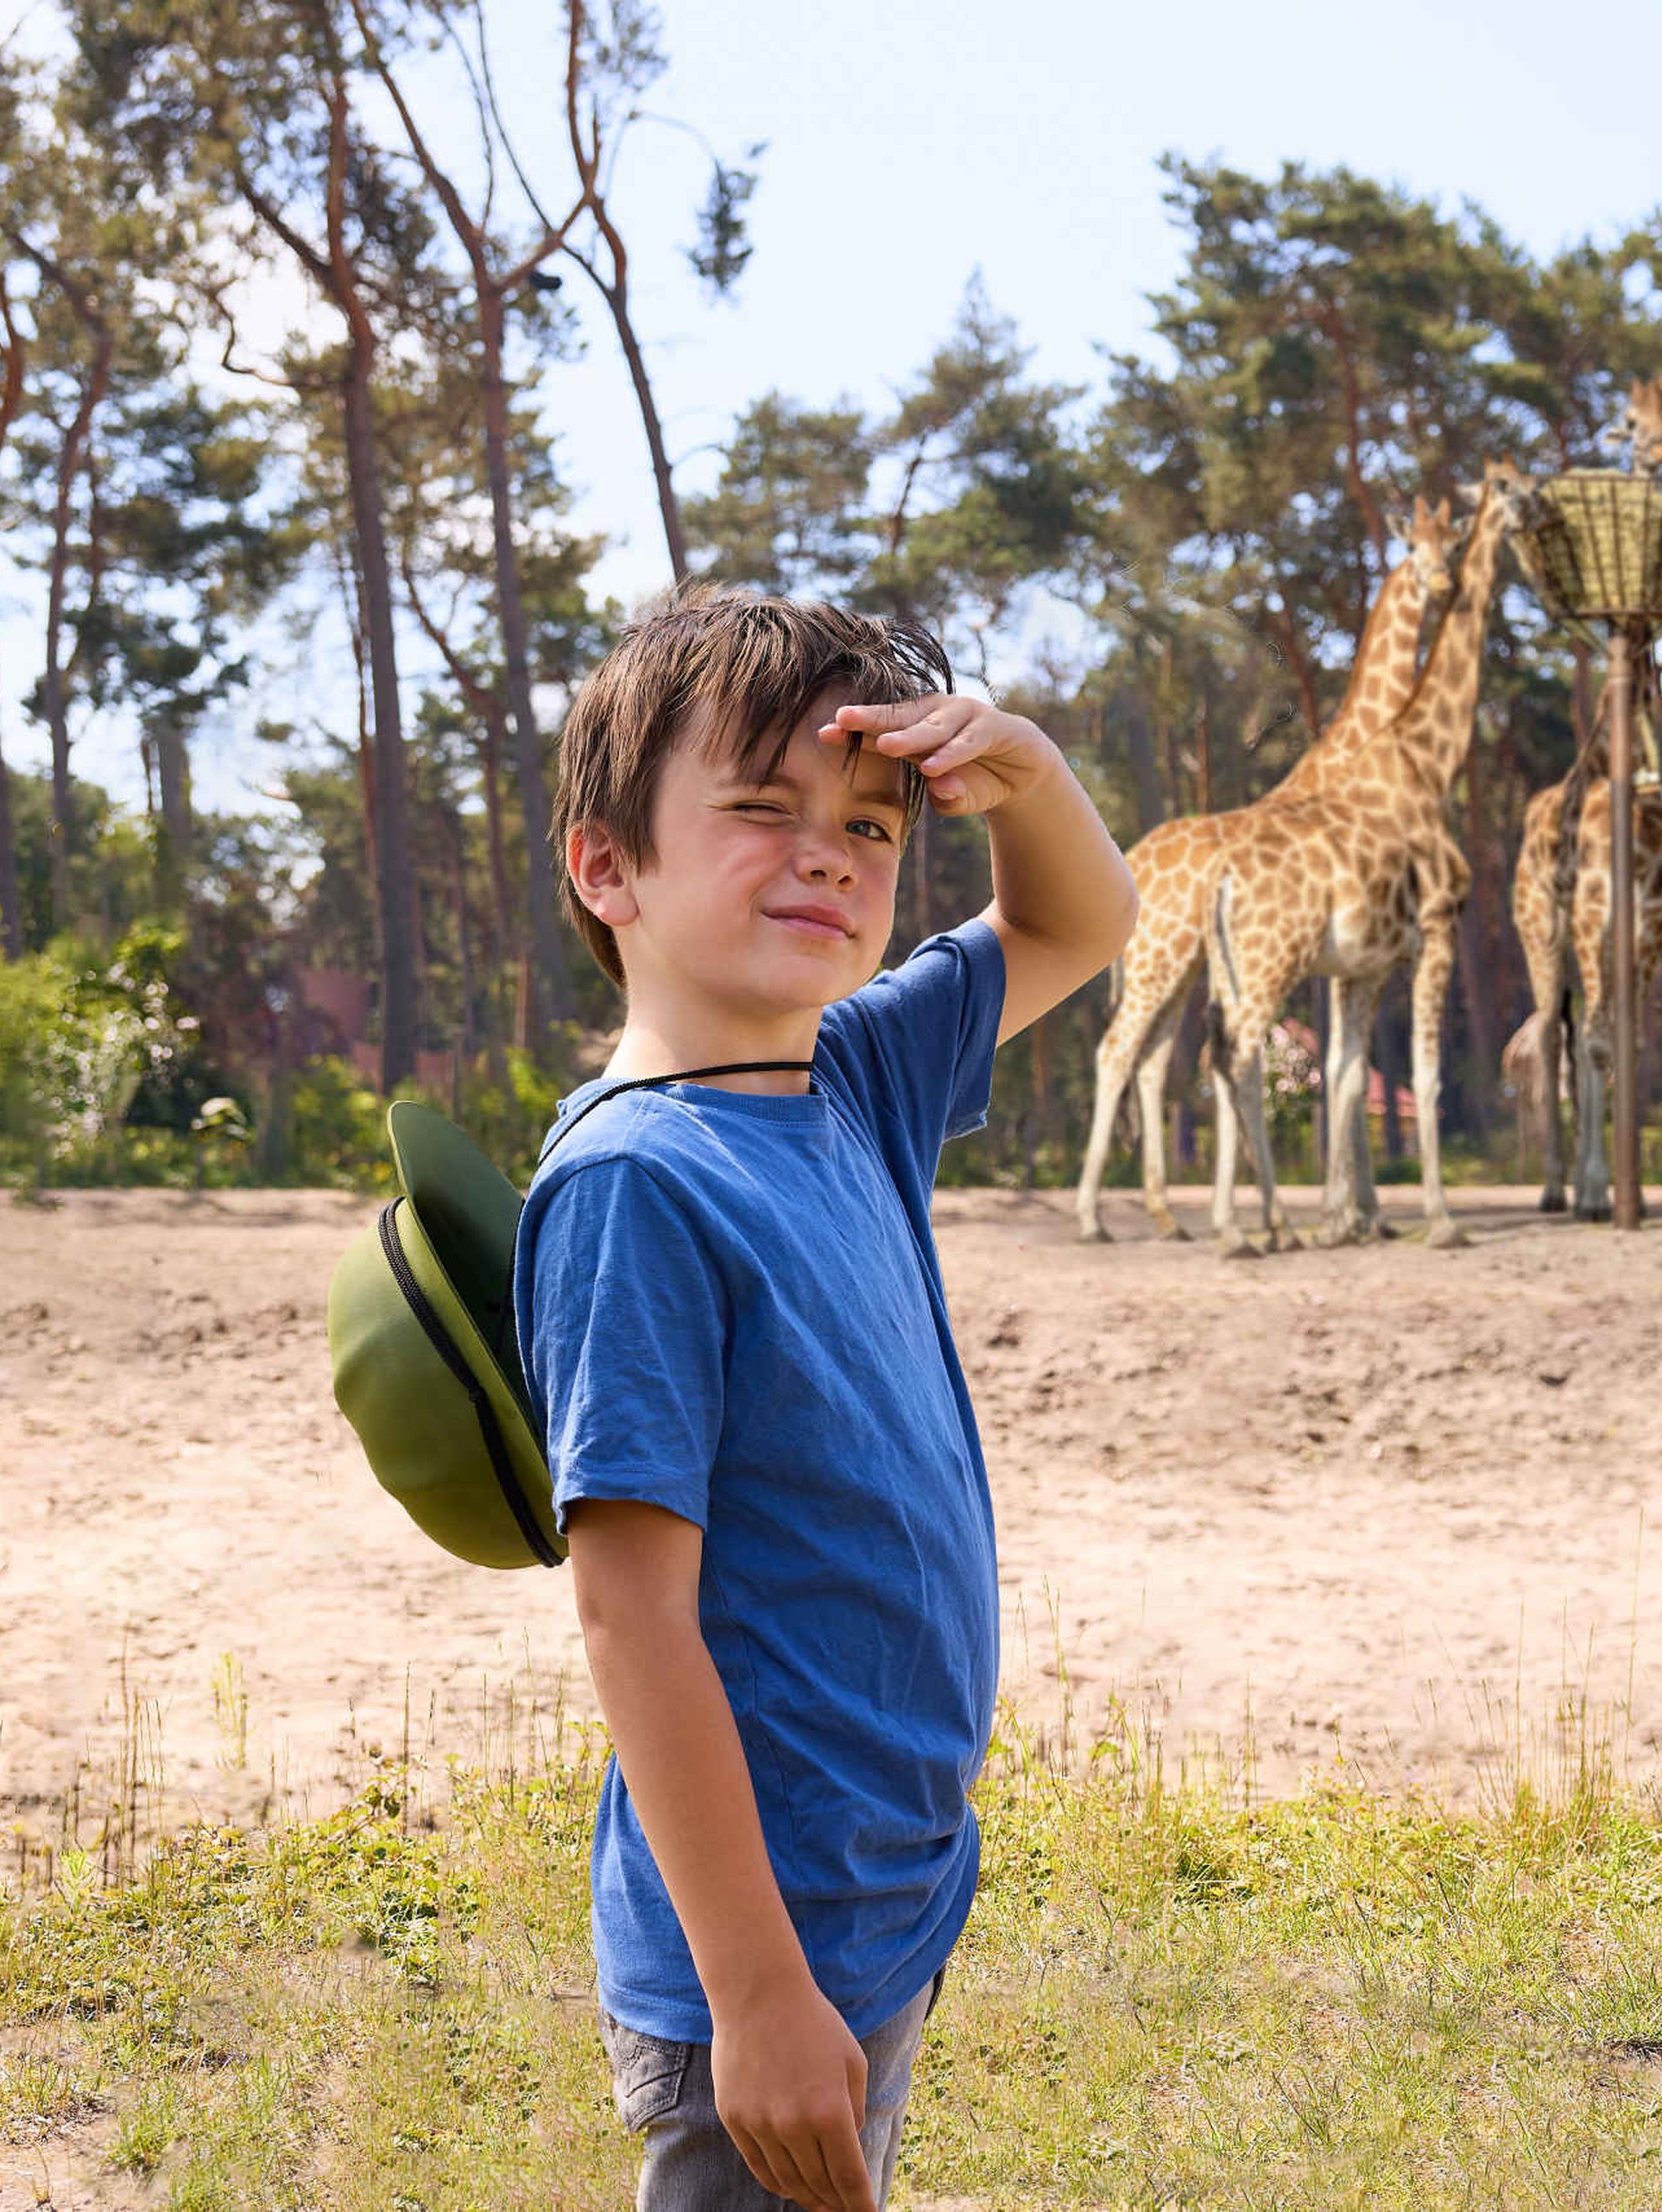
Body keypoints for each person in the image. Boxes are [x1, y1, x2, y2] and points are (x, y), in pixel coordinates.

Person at [521, 585, 1135, 2212]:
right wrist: (757, 1993)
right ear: (607, 866)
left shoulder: (849, 1074)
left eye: (869, 823)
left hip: (876, 1889)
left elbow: (1075, 925)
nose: (830, 853)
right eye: (758, 808)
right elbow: (631, 1617)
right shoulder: (639, 1182)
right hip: (767, 1935)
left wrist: (1026, 771)